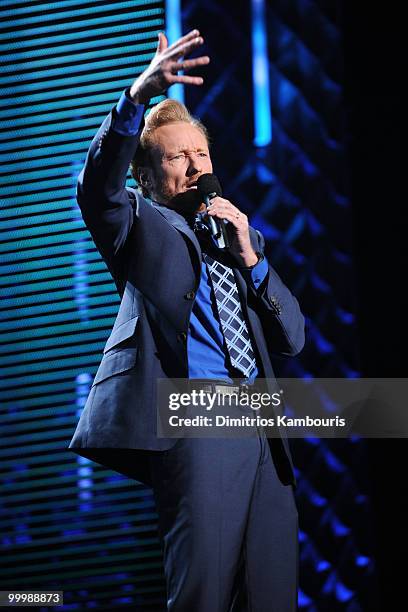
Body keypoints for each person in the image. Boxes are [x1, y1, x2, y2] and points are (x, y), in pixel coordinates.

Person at [69, 29, 305, 611]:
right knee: (204, 594)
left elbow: (292, 339)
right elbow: (97, 188)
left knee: (273, 598)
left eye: (201, 155)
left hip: (264, 428)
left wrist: (254, 261)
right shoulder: (140, 227)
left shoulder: (239, 241)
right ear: (147, 179)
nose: (195, 167)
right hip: (198, 419)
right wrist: (137, 96)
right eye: (177, 158)